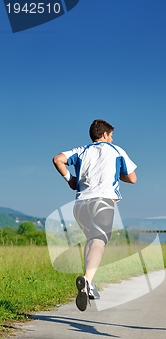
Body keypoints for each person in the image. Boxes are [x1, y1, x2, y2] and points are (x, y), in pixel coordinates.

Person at [53, 119, 137, 311]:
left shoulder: (81, 150)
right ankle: (88, 280)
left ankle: (89, 283)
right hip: (103, 202)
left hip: (80, 204)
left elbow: (57, 159)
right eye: (112, 135)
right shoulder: (116, 150)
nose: (112, 138)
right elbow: (132, 178)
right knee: (98, 242)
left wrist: (70, 179)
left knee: (91, 241)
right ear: (106, 135)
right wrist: (116, 175)